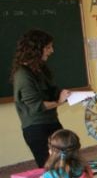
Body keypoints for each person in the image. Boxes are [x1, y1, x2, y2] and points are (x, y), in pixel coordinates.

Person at [11, 30, 71, 168]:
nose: (51, 51)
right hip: (36, 129)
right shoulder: (22, 74)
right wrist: (60, 102)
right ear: (36, 49)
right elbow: (37, 106)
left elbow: (53, 91)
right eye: (48, 47)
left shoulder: (40, 69)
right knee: (49, 167)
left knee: (66, 162)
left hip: (52, 123)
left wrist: (71, 96)